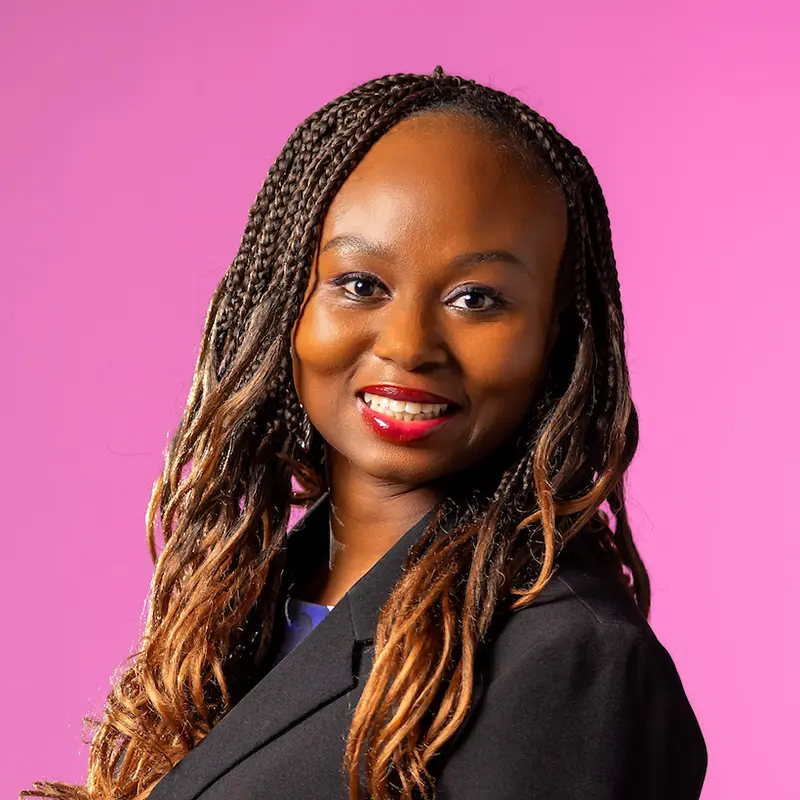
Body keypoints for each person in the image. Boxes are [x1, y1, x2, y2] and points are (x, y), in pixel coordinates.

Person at [23, 67, 708, 800]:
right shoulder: (248, 605)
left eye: (476, 299)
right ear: (285, 300)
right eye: (359, 284)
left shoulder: (570, 662)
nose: (409, 344)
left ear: (558, 342)